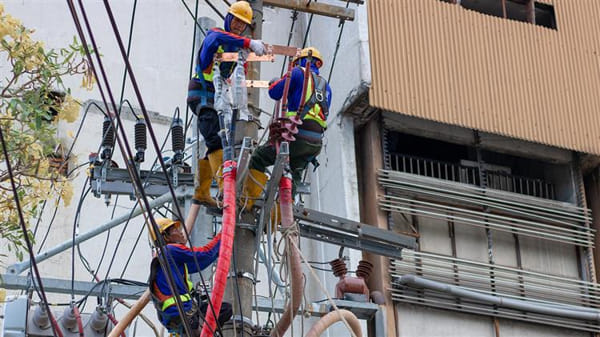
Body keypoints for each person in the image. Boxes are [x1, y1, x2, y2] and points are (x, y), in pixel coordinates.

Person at [188, 1, 266, 208]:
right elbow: (214, 37)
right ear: (228, 18)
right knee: (215, 139)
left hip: (219, 98)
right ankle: (225, 186)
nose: (239, 26)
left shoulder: (234, 48)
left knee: (221, 140)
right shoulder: (216, 36)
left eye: (243, 24)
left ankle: (202, 191)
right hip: (203, 94)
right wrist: (249, 43)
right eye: (237, 21)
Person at [242, 47, 332, 209]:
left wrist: (274, 83)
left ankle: (247, 200)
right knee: (294, 174)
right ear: (318, 64)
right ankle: (282, 211)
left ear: (299, 61)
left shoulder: (297, 73)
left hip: (295, 136)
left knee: (259, 157)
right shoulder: (327, 87)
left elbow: (275, 92)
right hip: (314, 143)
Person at [148, 218, 232, 336]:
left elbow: (201, 262)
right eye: (175, 230)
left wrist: (219, 249)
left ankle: (205, 331)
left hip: (177, 314)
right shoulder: (170, 250)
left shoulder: (169, 260)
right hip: (180, 310)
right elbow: (204, 255)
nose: (181, 231)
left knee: (224, 310)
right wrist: (226, 230)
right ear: (166, 237)